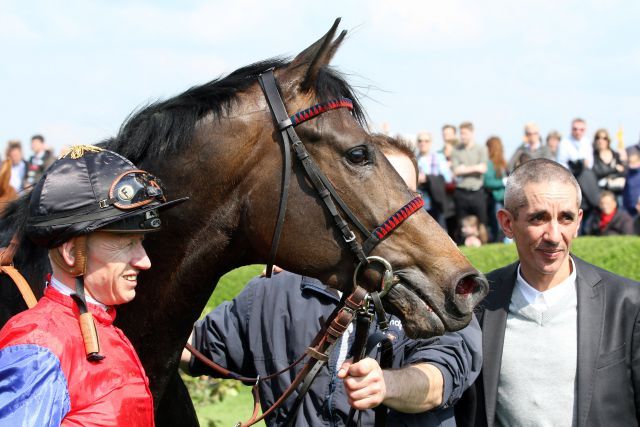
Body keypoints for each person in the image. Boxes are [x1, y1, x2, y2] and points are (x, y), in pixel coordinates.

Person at [182, 136, 482, 427]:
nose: (394, 214)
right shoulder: (273, 292)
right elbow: (198, 347)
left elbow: (441, 377)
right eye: (379, 197)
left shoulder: (441, 291)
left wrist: (387, 384)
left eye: (406, 198)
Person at [0, 146, 187, 425]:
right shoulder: (38, 346)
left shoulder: (105, 328)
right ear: (71, 252)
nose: (144, 261)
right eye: (126, 244)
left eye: (141, 243)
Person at [455, 158, 640, 427]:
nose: (554, 235)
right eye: (538, 218)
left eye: (565, 218)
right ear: (507, 223)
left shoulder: (627, 304)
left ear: (578, 222)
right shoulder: (479, 303)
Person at [450, 121, 489, 238]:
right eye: (460, 133)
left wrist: (464, 169)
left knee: (482, 221)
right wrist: (475, 167)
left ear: (472, 133)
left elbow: (483, 168)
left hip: (477, 190)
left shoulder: (481, 148)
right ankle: (464, 244)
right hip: (461, 191)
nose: (462, 136)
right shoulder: (456, 150)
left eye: (465, 133)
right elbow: (456, 171)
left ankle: (483, 241)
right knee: (462, 222)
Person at [416, 131, 454, 229]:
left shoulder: (438, 158)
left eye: (426, 141)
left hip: (436, 198)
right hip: (419, 197)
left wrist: (428, 178)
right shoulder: (413, 159)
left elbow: (448, 178)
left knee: (440, 227)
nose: (422, 143)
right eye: (420, 141)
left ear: (430, 143)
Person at [483, 136, 507, 243]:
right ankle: (500, 240)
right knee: (499, 223)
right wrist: (502, 182)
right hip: (497, 197)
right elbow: (488, 182)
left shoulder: (503, 163)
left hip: (504, 197)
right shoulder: (490, 164)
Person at [592, 128, 626, 195]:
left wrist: (611, 177)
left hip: (617, 190)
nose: (600, 141)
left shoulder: (616, 155)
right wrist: (614, 169)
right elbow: (596, 173)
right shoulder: (592, 156)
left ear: (608, 140)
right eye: (598, 138)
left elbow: (623, 171)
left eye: (604, 138)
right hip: (601, 192)